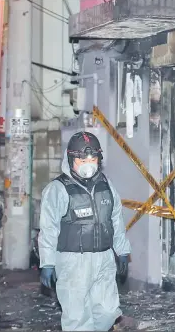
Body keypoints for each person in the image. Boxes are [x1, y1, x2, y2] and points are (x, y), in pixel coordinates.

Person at [38, 131, 131, 331]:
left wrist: (122, 251)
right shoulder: (58, 189)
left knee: (108, 311)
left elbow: (116, 218)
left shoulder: (106, 185)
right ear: (71, 159)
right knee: (77, 317)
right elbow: (48, 229)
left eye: (93, 158)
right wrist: (47, 262)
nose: (88, 164)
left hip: (104, 258)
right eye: (82, 159)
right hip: (73, 262)